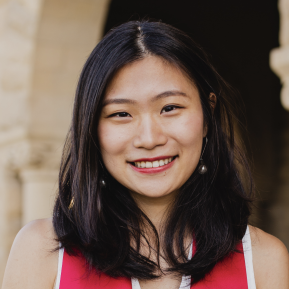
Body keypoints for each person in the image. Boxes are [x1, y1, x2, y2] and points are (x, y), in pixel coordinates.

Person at [2, 20, 289, 289]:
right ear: (90, 128)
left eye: (170, 108)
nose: (150, 139)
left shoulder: (263, 260)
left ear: (208, 115)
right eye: (121, 113)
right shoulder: (43, 250)